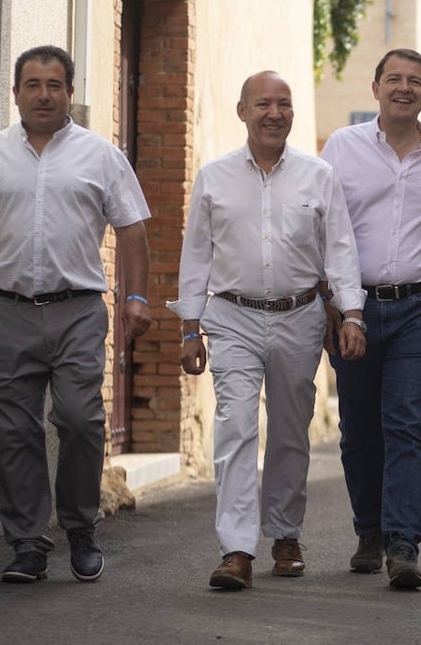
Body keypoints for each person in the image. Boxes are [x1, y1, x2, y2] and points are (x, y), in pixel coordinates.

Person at [0, 45, 153, 584]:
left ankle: (80, 527)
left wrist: (136, 297)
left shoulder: (100, 155)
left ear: (70, 93)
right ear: (17, 93)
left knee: (80, 418)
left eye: (54, 85)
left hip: (77, 312)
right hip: (7, 312)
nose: (43, 94)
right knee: (15, 432)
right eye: (33, 84)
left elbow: (133, 229)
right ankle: (27, 542)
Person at [170, 71, 367, 591]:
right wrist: (190, 327)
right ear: (242, 112)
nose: (274, 113)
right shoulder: (213, 178)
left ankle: (284, 534)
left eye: (283, 104)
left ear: (293, 114)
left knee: (288, 429)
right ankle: (236, 549)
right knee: (235, 424)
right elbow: (195, 255)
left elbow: (341, 249)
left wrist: (351, 314)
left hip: (299, 315)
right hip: (232, 316)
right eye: (263, 104)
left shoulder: (318, 175)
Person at [319, 49, 421, 590]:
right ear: (376, 88)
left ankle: (403, 541)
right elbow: (324, 230)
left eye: (415, 81)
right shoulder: (342, 148)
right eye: (394, 79)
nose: (404, 88)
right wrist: (331, 305)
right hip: (354, 310)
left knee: (408, 423)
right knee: (359, 429)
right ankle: (369, 530)